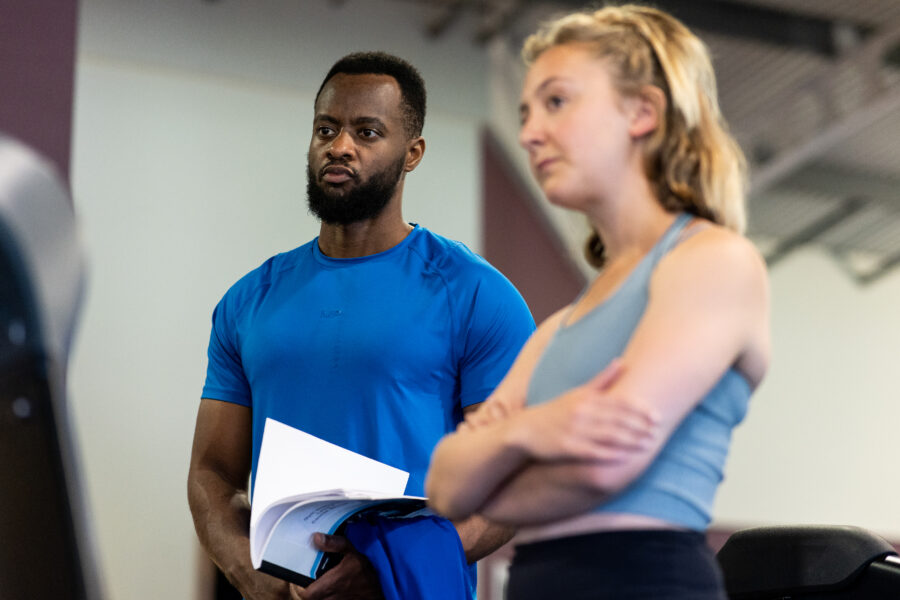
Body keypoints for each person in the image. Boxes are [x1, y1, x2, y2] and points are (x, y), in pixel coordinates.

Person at [425, 5, 771, 599]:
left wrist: (495, 459)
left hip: (642, 580)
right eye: (526, 112)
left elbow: (603, 466)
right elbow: (444, 486)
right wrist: (536, 430)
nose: (531, 132)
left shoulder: (713, 260)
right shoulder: (562, 325)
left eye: (557, 102)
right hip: (537, 580)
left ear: (642, 111)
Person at [187, 51, 535, 600]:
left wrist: (388, 566)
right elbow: (213, 472)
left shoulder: (477, 295)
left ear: (412, 153)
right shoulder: (248, 300)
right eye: (326, 128)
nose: (340, 145)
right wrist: (247, 572)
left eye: (367, 132)